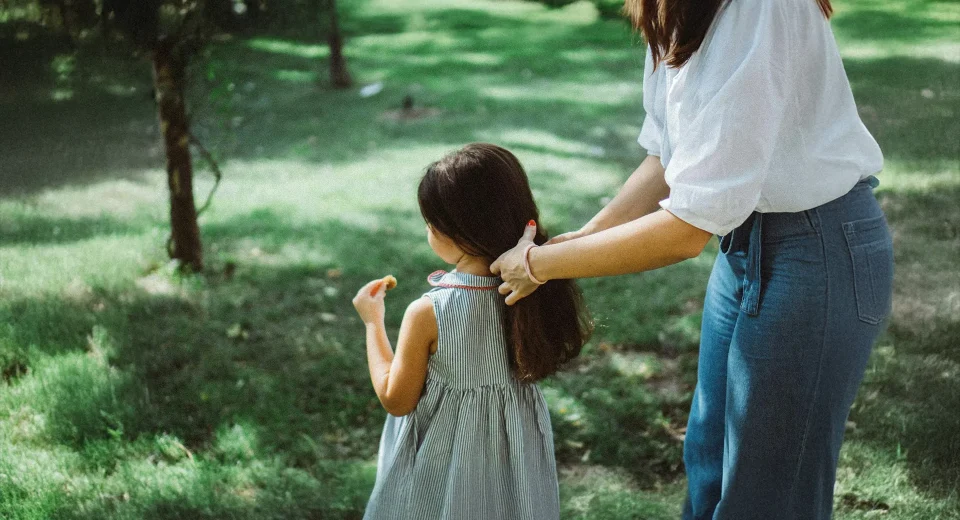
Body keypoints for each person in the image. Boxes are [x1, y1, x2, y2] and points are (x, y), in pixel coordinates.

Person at [491, 0, 893, 518]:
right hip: (746, 246)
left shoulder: (759, 9)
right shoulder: (671, 7)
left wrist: (541, 266)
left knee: (767, 494)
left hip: (816, 249)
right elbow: (668, 156)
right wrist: (579, 239)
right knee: (709, 463)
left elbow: (686, 230)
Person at [351, 143, 592, 520]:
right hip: (514, 460)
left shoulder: (429, 312)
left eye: (430, 224)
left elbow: (396, 399)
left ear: (457, 232)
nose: (428, 230)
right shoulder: (537, 285)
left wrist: (372, 322)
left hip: (444, 464)